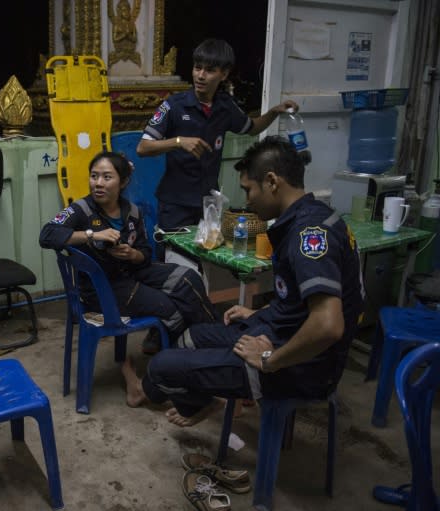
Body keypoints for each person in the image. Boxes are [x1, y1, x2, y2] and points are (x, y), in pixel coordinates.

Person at [123, 136, 364, 428]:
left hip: (301, 367)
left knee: (161, 367)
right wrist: (260, 314)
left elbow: (327, 325)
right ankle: (204, 402)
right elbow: (299, 302)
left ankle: (169, 392)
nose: (247, 200)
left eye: (249, 189)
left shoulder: (308, 235)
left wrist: (269, 359)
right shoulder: (309, 217)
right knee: (192, 336)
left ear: (272, 182)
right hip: (279, 332)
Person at [39, 151, 217, 354]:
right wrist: (92, 235)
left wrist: (132, 254)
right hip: (102, 288)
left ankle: (209, 337)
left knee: (188, 277)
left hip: (131, 273)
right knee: (172, 307)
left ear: (123, 182)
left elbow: (144, 253)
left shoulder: (132, 212)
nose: (98, 183)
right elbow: (47, 235)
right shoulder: (80, 210)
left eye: (107, 177)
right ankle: (187, 347)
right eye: (94, 176)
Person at [137, 38, 300, 244]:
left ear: (224, 74)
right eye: (197, 68)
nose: (201, 76)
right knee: (174, 259)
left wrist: (274, 112)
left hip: (209, 204)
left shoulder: (225, 107)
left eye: (209, 70)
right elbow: (143, 147)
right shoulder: (174, 106)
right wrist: (178, 141)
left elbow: (252, 128)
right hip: (175, 204)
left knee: (205, 259)